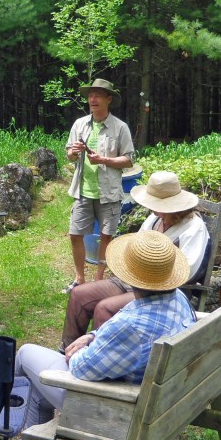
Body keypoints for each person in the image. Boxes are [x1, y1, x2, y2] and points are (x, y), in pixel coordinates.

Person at [9, 231, 196, 440]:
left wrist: (77, 351)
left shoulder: (132, 327)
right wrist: (92, 335)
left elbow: (82, 369)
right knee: (39, 390)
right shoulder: (176, 299)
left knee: (25, 354)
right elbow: (126, 317)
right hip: (156, 403)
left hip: (112, 411)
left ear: (132, 279)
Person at [61, 171, 209, 349]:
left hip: (161, 292)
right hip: (133, 281)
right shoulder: (155, 218)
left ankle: (98, 360)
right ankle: (66, 352)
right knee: (79, 294)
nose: (151, 207)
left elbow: (188, 270)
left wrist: (150, 277)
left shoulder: (194, 228)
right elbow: (136, 245)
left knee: (105, 308)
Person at [63, 79, 134, 293]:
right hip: (83, 190)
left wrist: (104, 160)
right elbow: (69, 155)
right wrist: (74, 153)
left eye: (97, 95)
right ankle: (79, 278)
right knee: (75, 234)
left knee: (106, 237)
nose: (92, 99)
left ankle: (99, 281)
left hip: (109, 193)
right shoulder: (80, 124)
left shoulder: (120, 127)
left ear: (108, 99)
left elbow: (129, 160)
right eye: (90, 95)